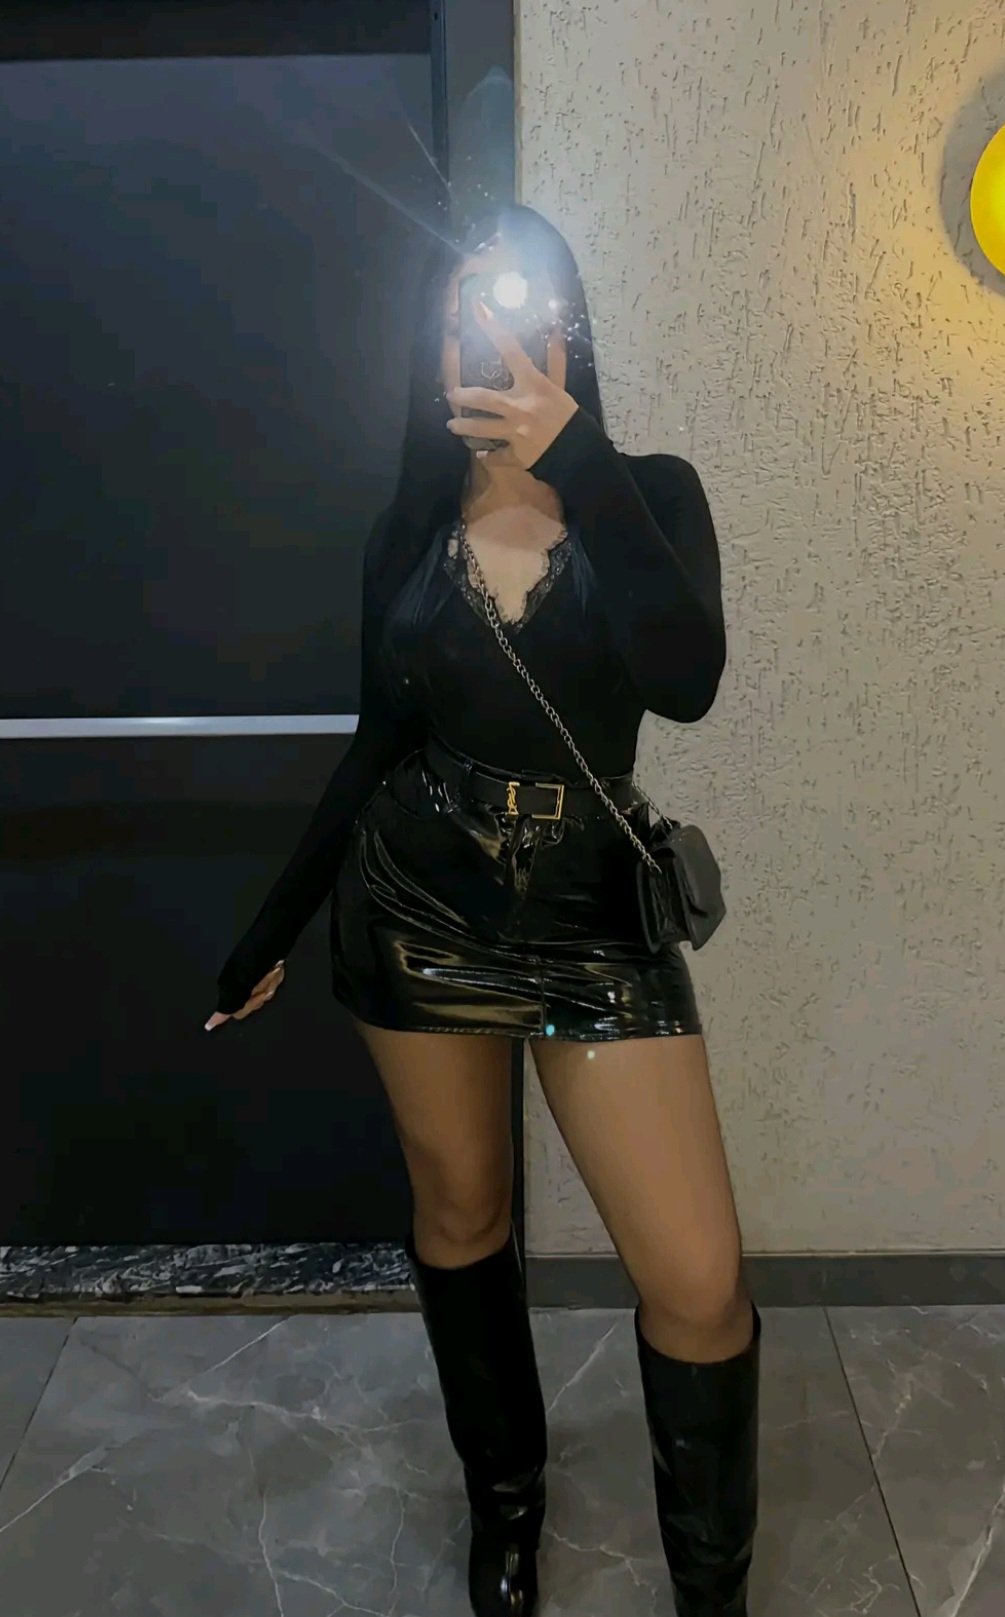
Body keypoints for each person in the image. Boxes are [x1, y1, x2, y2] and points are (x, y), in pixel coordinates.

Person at [208, 203, 761, 1617]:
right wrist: (272, 928)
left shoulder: (652, 490)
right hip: (416, 907)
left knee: (698, 1279)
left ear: (569, 326)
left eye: (519, 303)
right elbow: (373, 745)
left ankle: (713, 1595)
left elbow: (686, 679)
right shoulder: (404, 528)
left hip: (594, 919)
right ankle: (505, 1503)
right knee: (462, 1210)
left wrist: (574, 463)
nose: (490, 333)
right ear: (431, 344)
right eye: (459, 312)